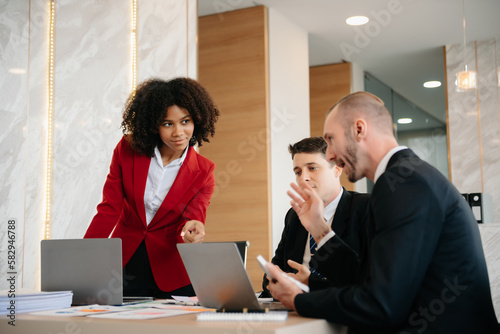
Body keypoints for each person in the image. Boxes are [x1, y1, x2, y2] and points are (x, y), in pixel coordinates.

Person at [267, 91, 498, 333]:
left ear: (359, 129)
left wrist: (298, 300)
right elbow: (366, 280)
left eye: (331, 140)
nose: (332, 155)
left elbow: (382, 303)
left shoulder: (403, 184)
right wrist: (318, 228)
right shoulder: (406, 176)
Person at [84, 77, 219, 299]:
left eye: (185, 121)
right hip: (124, 264)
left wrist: (192, 230)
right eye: (168, 124)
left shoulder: (204, 171)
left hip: (172, 270)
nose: (178, 132)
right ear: (153, 125)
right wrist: (84, 258)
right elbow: (110, 208)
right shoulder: (126, 149)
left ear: (197, 120)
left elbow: (191, 220)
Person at [260, 137, 370, 297]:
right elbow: (273, 272)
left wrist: (309, 284)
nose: (303, 178)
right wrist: (275, 277)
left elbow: (367, 282)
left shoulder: (366, 208)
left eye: (312, 168)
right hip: (296, 314)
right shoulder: (294, 215)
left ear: (337, 169)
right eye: (298, 172)